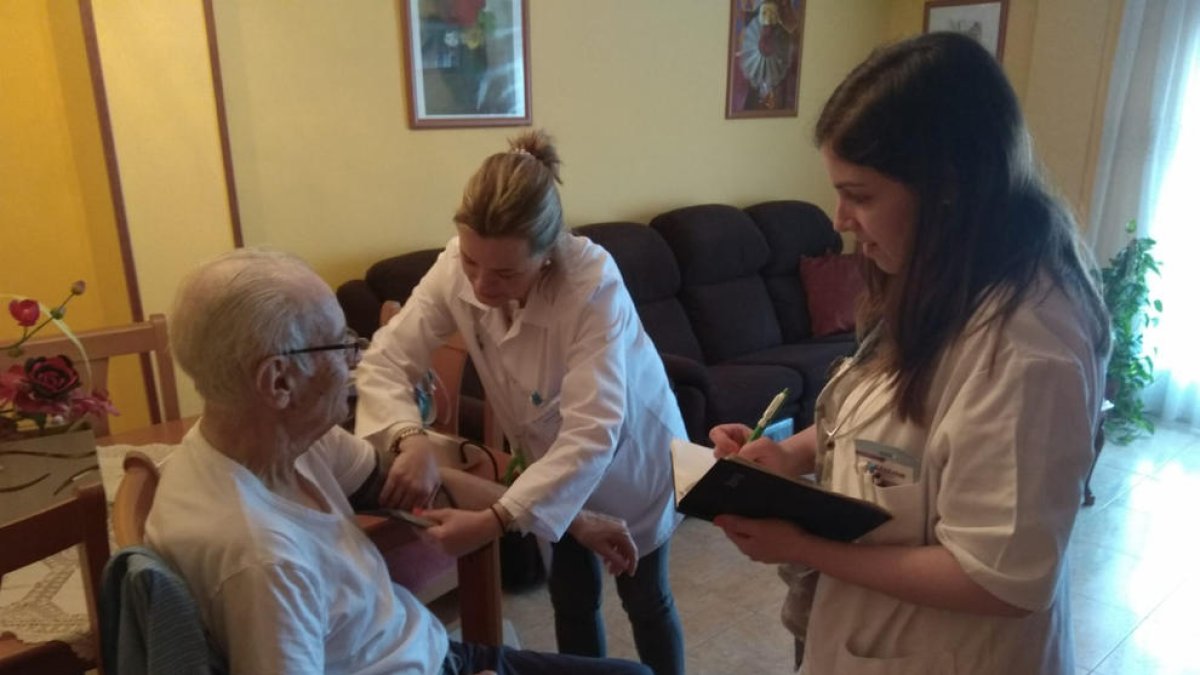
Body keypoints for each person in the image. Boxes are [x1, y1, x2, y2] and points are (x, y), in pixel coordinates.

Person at [708, 32, 1110, 674]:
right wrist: (792, 453)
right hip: (866, 636)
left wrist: (804, 545)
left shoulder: (1029, 351)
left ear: (948, 187)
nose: (839, 218)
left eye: (861, 195)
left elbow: (999, 582)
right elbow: (893, 420)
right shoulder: (938, 278)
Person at [145, 248, 651, 675]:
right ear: (278, 381)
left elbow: (434, 486)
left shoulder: (286, 444)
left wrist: (577, 520)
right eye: (340, 344)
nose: (356, 360)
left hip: (427, 649)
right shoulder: (263, 560)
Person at [354, 131, 686, 675]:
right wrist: (406, 436)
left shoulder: (592, 284)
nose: (482, 284)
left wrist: (495, 518)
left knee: (646, 598)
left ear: (548, 254)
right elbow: (386, 359)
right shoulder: (454, 268)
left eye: (506, 272)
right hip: (547, 462)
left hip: (631, 458)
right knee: (570, 596)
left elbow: (592, 431)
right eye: (471, 262)